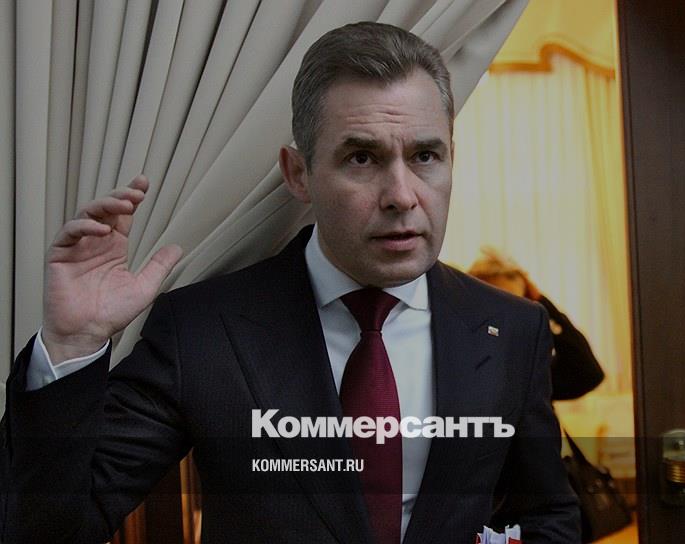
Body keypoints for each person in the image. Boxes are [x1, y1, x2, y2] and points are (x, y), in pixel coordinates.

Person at [1, 22, 579, 544]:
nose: (402, 195)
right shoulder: (202, 329)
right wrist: (72, 345)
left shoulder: (512, 329)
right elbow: (51, 528)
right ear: (298, 173)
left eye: (425, 156)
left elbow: (548, 516)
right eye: (362, 158)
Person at [467, 249, 604, 401]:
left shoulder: (529, 366)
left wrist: (542, 304)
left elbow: (588, 374)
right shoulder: (460, 356)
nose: (504, 312)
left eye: (515, 303)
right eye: (493, 301)